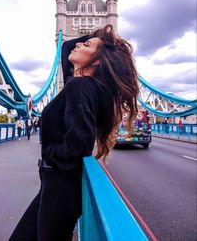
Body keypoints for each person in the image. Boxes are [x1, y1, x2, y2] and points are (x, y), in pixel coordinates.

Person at [8, 24, 139, 241]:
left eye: (86, 44)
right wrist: (105, 38)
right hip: (56, 185)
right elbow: (67, 46)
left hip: (60, 186)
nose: (77, 44)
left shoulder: (79, 86)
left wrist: (50, 154)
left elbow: (80, 143)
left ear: (97, 61)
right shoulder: (85, 84)